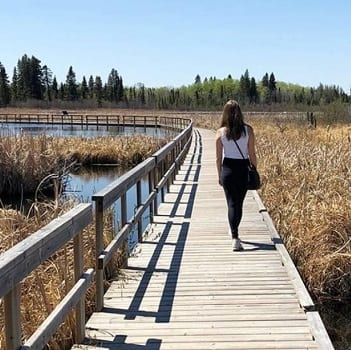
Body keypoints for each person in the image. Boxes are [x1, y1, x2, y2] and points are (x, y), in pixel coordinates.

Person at [216, 100, 257, 251]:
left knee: (231, 203)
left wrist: (219, 174)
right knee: (238, 203)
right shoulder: (248, 130)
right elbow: (252, 153)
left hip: (227, 168)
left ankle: (234, 236)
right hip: (242, 168)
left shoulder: (220, 132)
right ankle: (234, 233)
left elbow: (218, 157)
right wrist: (254, 169)